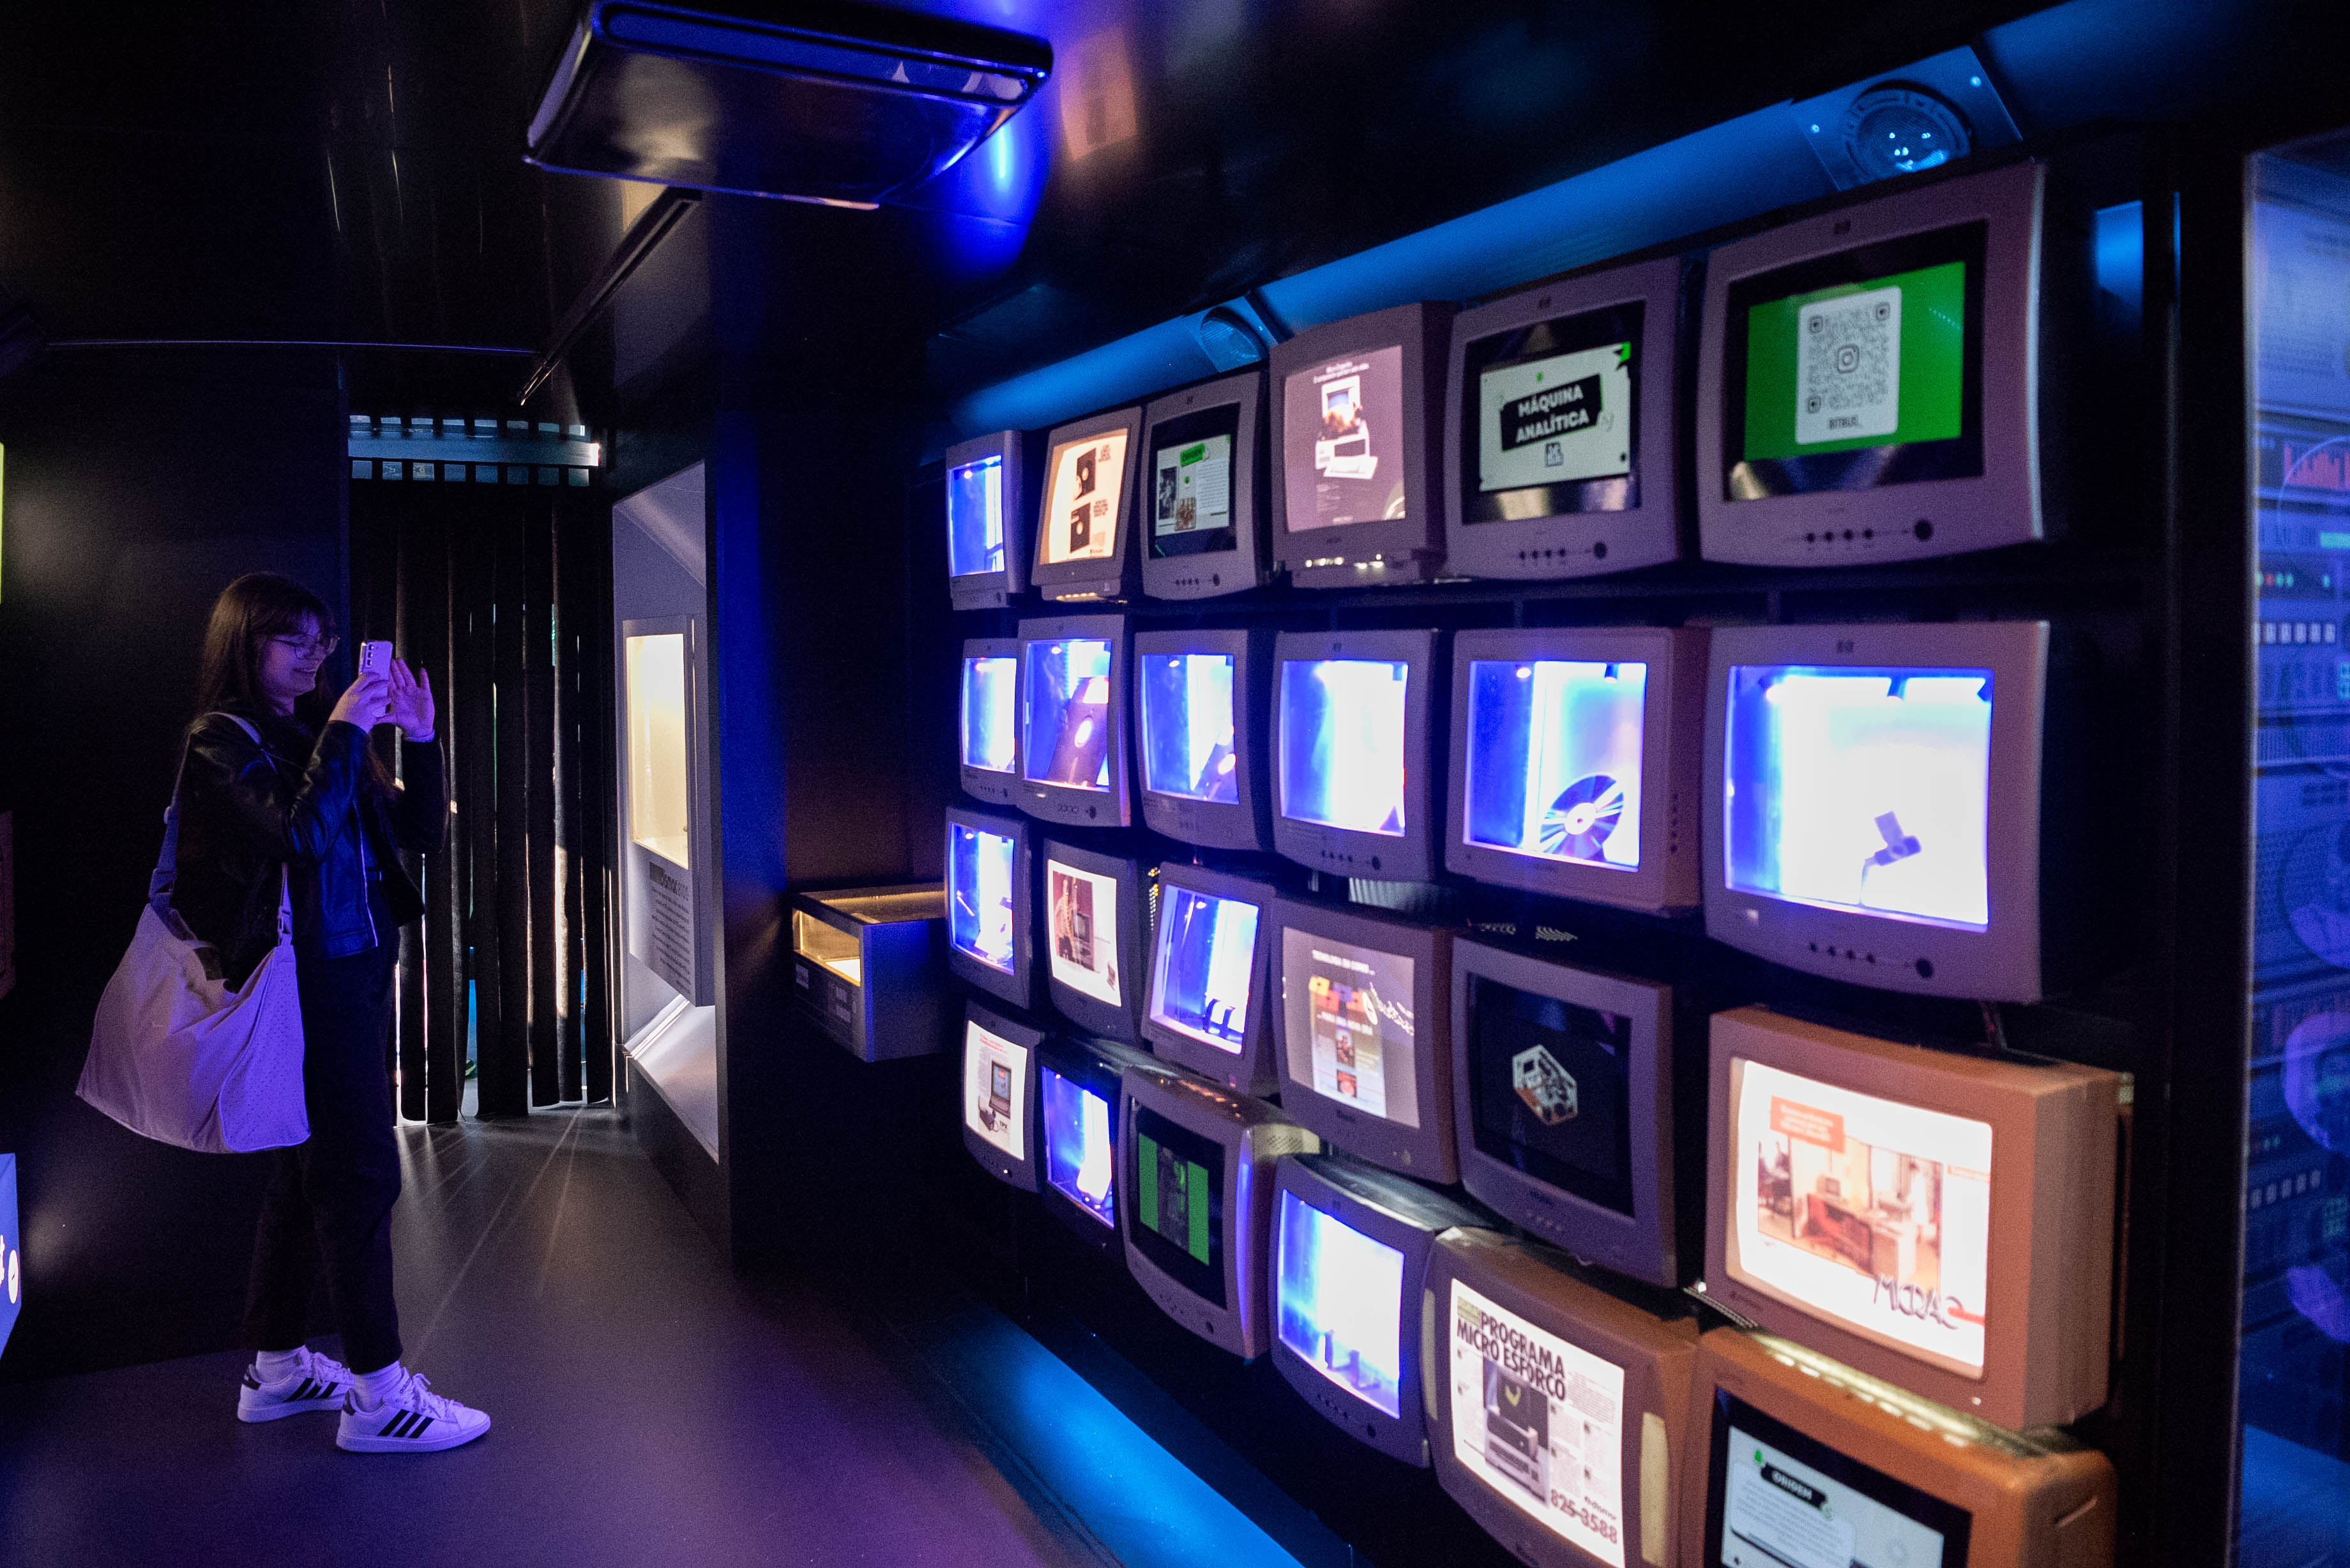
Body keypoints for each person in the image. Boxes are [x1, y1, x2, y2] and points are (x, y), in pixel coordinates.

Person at [171, 572, 489, 1453]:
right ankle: (380, 1396)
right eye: (295, 640)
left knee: (302, 1173)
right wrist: (348, 726)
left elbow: (419, 834)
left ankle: (275, 1370)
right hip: (306, 985)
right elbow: (300, 837)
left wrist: (419, 737)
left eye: (324, 640)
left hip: (353, 974)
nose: (317, 656)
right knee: (358, 1175)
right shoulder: (219, 740)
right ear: (247, 645)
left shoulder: (316, 731)